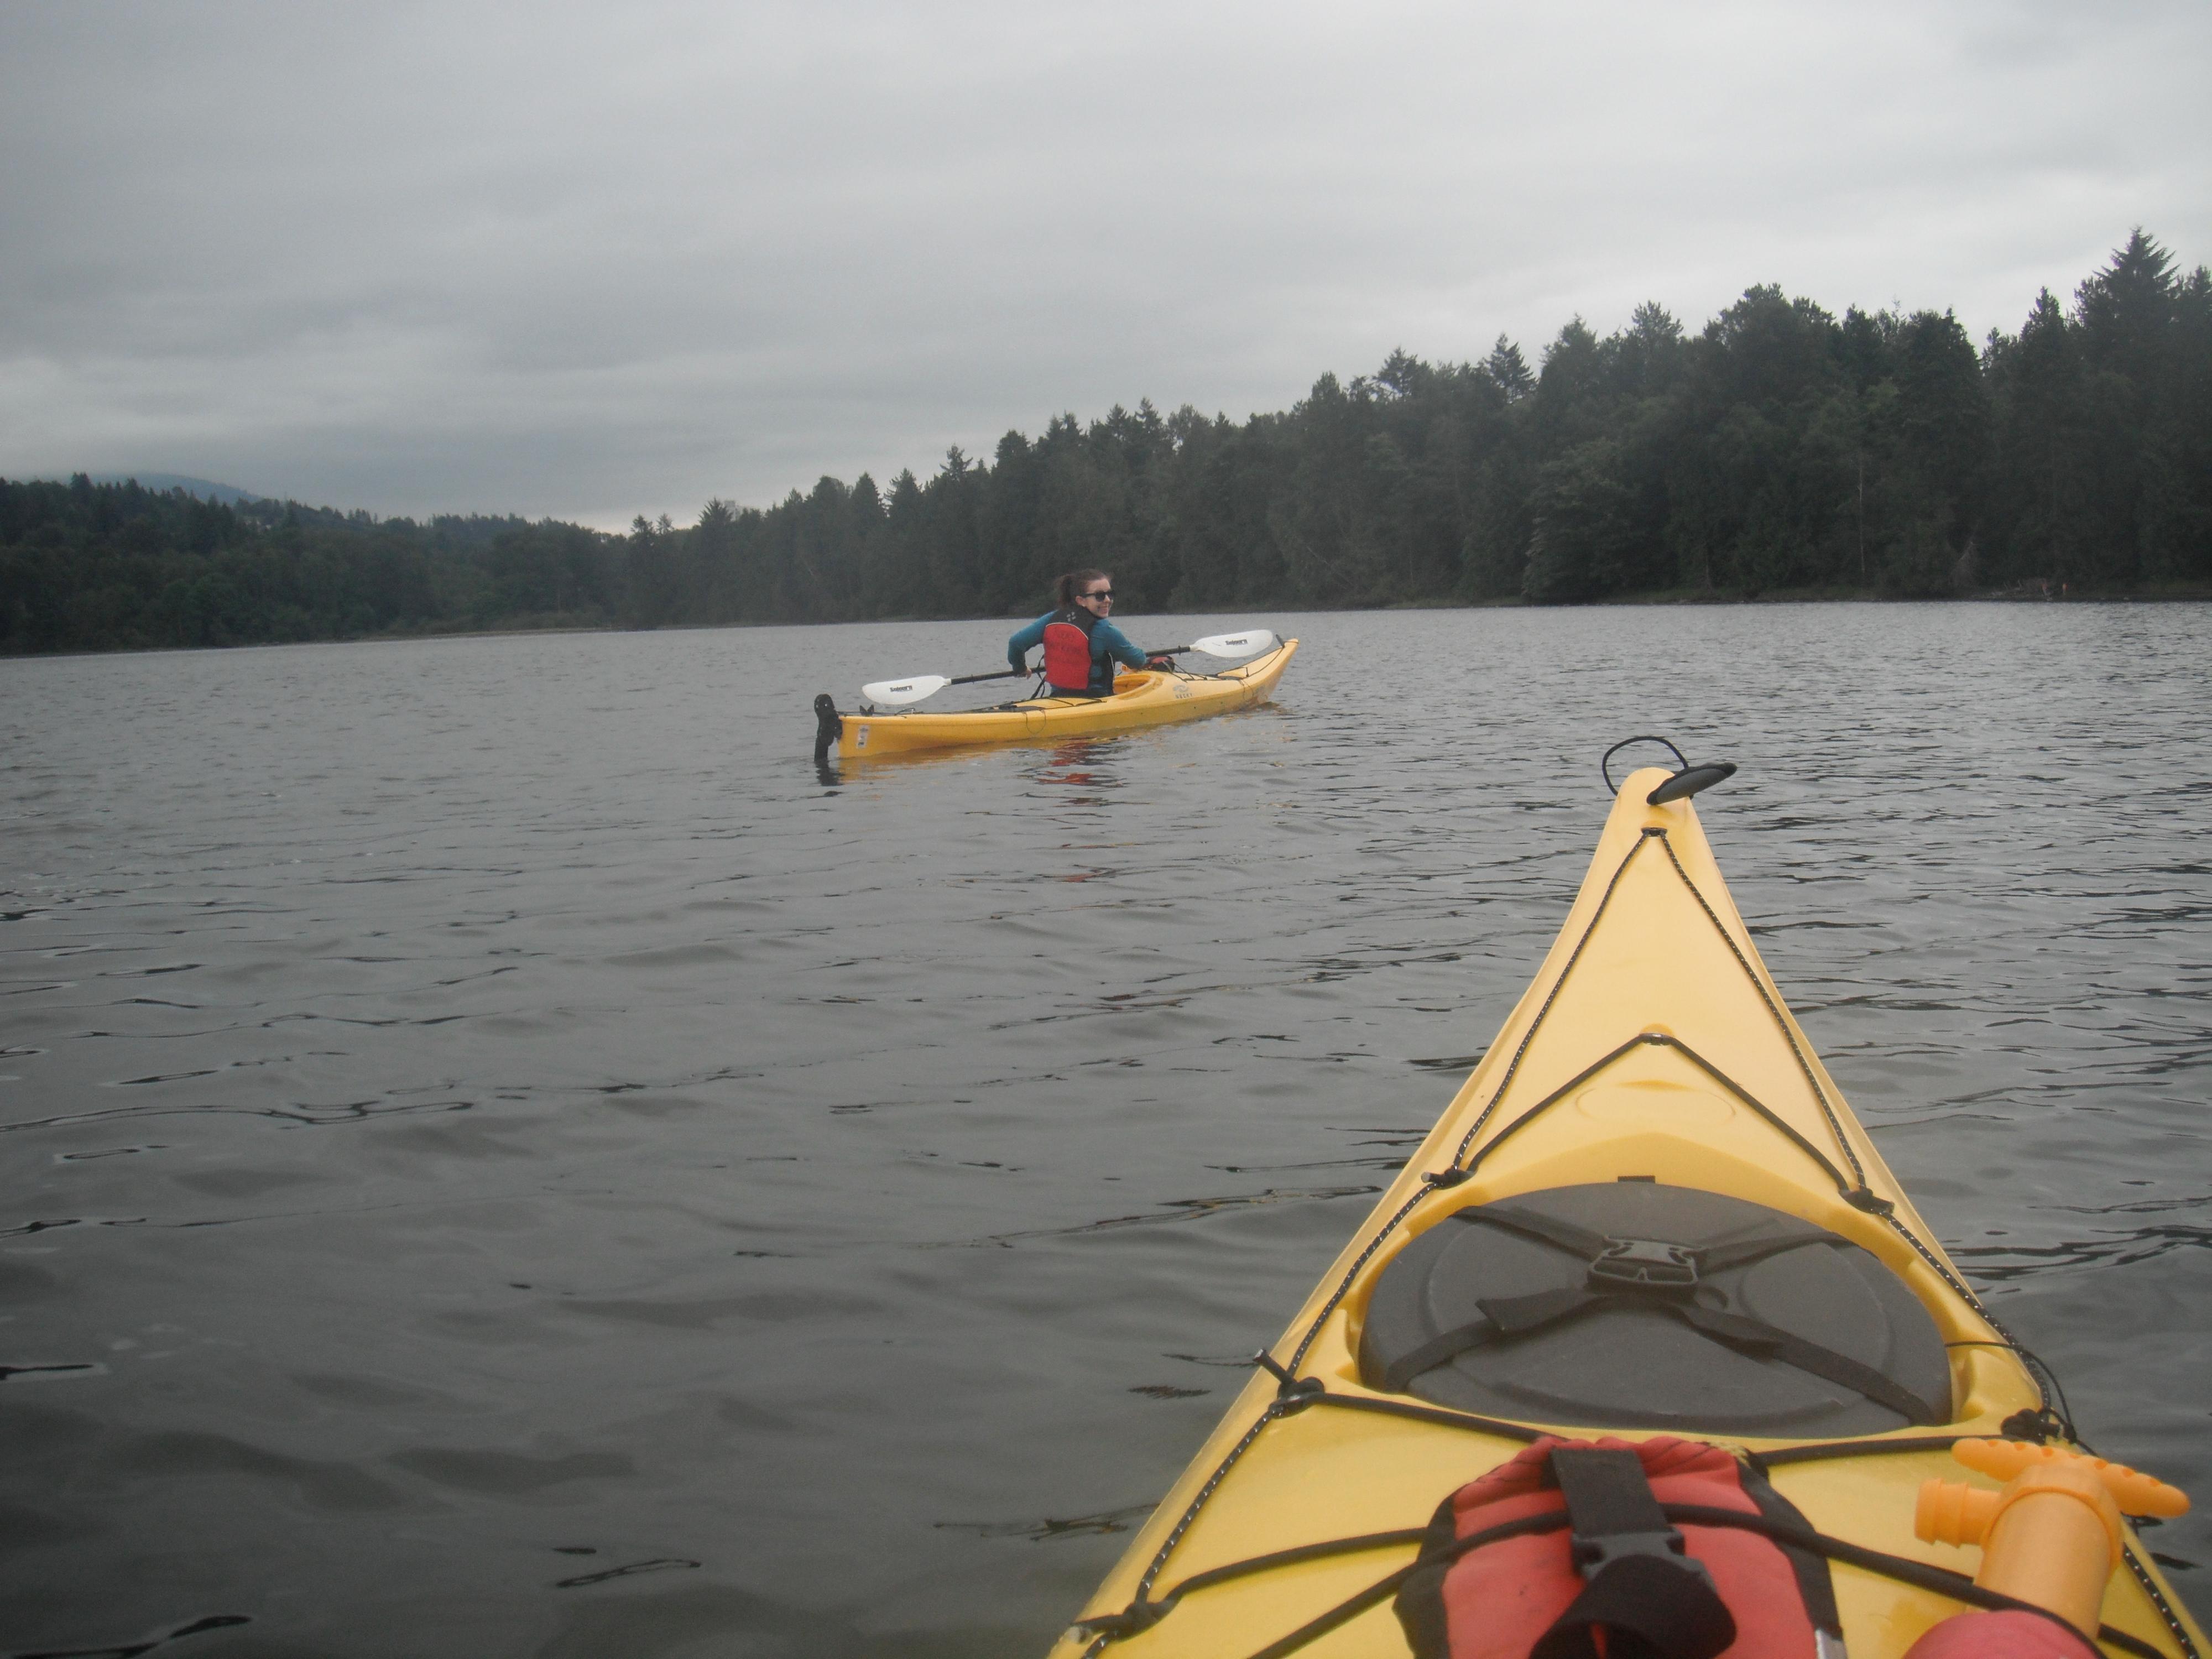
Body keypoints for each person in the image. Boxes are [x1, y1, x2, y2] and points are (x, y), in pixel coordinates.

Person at [1006, 570, 1168, 696]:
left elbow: (1016, 642)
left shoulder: (1051, 619)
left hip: (1058, 697)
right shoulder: (1105, 630)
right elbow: (1137, 660)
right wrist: (1150, 661)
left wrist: (1020, 668)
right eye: (1100, 596)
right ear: (1081, 600)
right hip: (1095, 701)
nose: (1107, 600)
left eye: (1110, 594)